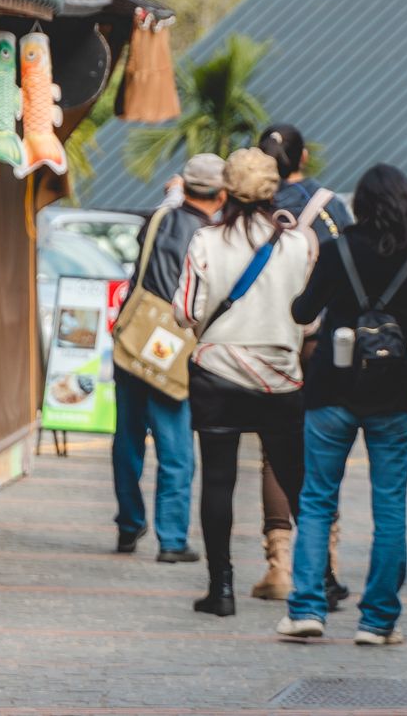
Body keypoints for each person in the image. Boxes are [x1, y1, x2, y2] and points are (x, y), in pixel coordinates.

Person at [276, 164, 407, 645]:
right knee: (389, 506)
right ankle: (378, 620)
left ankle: (306, 609)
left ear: (362, 205)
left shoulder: (336, 249)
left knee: (317, 500)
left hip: (331, 388)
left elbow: (303, 312)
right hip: (393, 394)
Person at [174, 147, 315, 617]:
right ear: (272, 190)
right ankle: (319, 583)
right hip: (280, 378)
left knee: (217, 482)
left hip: (218, 374)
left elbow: (187, 311)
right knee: (296, 482)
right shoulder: (299, 244)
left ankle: (222, 590)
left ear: (226, 189)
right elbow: (309, 319)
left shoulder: (206, 241)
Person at [251, 123, 353, 605]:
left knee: (275, 451)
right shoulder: (329, 205)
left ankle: (279, 566)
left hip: (267, 341)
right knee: (322, 451)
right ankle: (326, 562)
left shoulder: (250, 207)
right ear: (304, 157)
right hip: (321, 344)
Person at [112, 153, 223, 563]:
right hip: (174, 350)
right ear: (223, 193)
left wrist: (175, 192)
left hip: (134, 339)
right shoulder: (211, 236)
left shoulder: (156, 219)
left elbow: (172, 205)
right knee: (175, 447)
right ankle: (172, 539)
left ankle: (128, 525)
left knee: (127, 439)